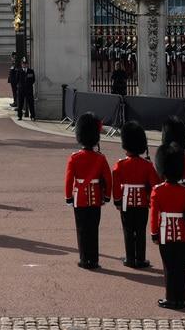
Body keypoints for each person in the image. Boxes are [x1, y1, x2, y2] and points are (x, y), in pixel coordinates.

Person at [149, 142, 185, 309]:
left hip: (165, 233)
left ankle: (171, 299)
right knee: (180, 268)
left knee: (169, 268)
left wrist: (154, 233)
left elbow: (154, 215)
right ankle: (181, 299)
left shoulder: (158, 190)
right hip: (183, 233)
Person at [65, 113, 111, 270]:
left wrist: (68, 197)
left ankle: (85, 259)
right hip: (96, 198)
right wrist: (106, 196)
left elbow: (69, 179)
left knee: (82, 229)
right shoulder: (100, 158)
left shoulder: (74, 158)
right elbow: (108, 178)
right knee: (93, 229)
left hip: (80, 198)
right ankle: (94, 259)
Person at [112, 121, 158, 269]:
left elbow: (116, 185)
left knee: (128, 230)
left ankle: (130, 258)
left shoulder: (120, 164)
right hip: (142, 203)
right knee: (140, 230)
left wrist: (118, 201)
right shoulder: (147, 165)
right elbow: (155, 184)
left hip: (126, 202)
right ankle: (141, 258)